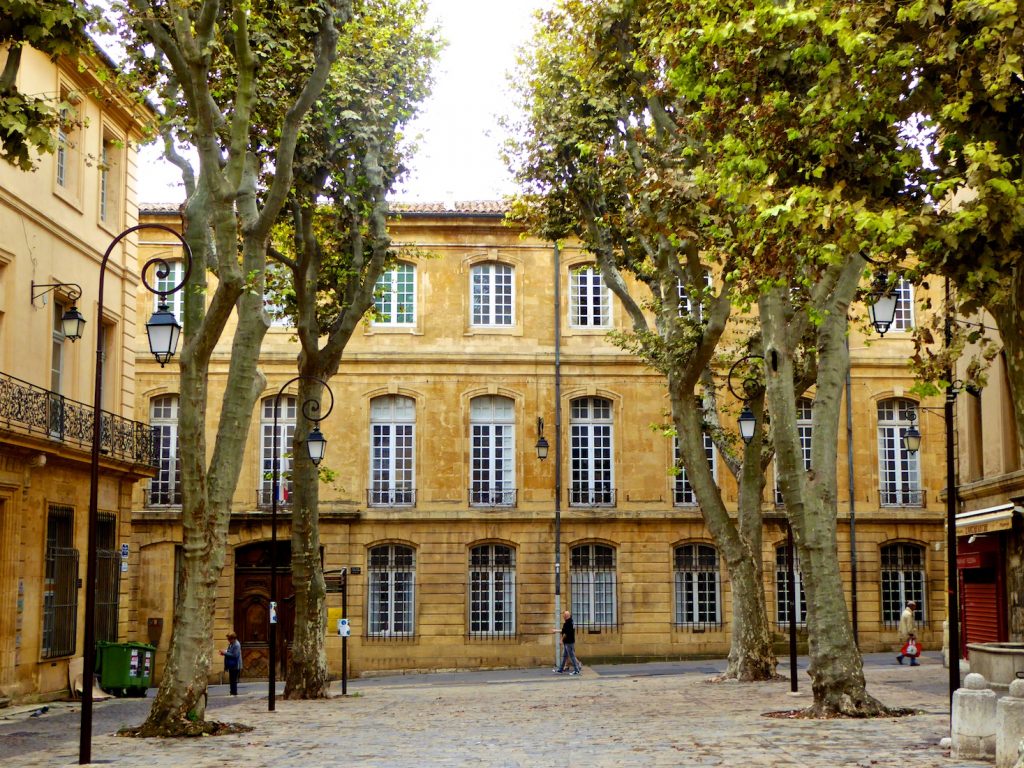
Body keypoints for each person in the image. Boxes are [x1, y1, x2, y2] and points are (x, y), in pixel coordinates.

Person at [553, 610, 582, 675]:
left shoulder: (567, 623)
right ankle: (560, 669)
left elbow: (565, 633)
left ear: (566, 616)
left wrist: (561, 640)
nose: (563, 616)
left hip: (568, 642)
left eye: (563, 615)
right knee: (564, 656)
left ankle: (576, 670)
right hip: (569, 642)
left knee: (572, 656)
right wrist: (556, 631)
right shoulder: (571, 622)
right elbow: (564, 631)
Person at [896, 600, 918, 665]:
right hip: (909, 633)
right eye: (914, 606)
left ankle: (901, 656)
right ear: (911, 606)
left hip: (904, 632)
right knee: (912, 647)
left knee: (910, 647)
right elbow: (909, 625)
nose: (915, 607)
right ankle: (911, 661)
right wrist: (911, 634)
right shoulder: (909, 614)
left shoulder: (904, 612)